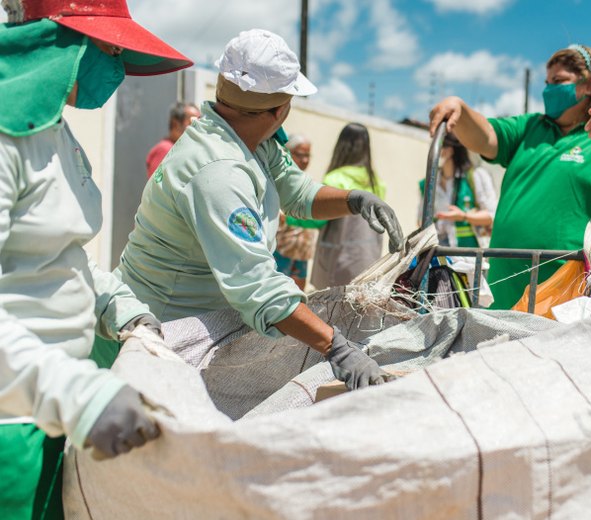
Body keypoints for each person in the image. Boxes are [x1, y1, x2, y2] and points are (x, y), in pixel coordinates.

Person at [113, 30, 403, 392]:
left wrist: (354, 200)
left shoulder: (250, 141)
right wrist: (338, 348)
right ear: (281, 109)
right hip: (160, 334)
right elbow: (259, 288)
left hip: (201, 323)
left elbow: (299, 193)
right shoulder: (217, 171)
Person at [0, 0, 192, 517]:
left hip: (53, 410)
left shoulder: (56, 130)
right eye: (108, 46)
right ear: (55, 39)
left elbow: (63, 255)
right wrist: (78, 395)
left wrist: (118, 305)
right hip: (10, 427)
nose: (117, 65)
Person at [429, 43, 591, 309]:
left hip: (581, 295)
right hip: (510, 289)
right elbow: (487, 137)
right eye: (547, 82)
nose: (549, 89)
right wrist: (460, 109)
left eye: (558, 81)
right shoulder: (531, 129)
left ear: (589, 84)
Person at [310, 123, 388, 289]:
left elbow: (317, 219)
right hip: (367, 263)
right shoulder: (377, 184)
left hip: (336, 265)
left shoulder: (334, 179)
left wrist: (289, 217)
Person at [419, 133, 497, 247]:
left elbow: (492, 215)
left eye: (436, 147)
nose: (432, 154)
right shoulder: (428, 183)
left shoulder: (477, 176)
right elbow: (420, 220)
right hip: (439, 255)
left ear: (449, 151)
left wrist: (464, 217)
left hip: (470, 258)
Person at [273, 133, 319, 289]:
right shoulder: (278, 178)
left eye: (308, 155)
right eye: (300, 155)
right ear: (287, 152)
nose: (305, 160)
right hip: (280, 250)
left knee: (297, 296)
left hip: (301, 254)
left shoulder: (309, 181)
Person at [145, 101, 201, 178]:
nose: (197, 125)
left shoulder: (183, 148)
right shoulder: (165, 150)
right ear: (176, 124)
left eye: (198, 120)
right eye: (191, 121)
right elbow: (157, 185)